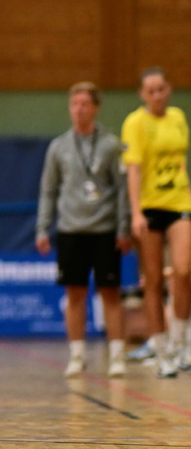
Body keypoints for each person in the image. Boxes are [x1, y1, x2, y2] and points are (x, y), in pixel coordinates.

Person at [35, 82, 131, 379]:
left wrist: (123, 227)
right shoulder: (59, 147)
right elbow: (48, 190)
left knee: (110, 293)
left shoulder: (111, 145)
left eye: (85, 104)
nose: (79, 110)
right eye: (74, 104)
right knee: (75, 294)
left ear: (96, 107)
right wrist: (42, 228)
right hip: (71, 229)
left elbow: (122, 190)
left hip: (104, 229)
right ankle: (77, 355)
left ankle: (117, 355)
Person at [121, 67, 191, 378]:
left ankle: (180, 342)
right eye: (150, 90)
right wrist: (136, 212)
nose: (157, 95)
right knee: (152, 280)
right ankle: (160, 348)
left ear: (169, 89)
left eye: (161, 88)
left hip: (179, 203)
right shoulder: (135, 123)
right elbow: (133, 171)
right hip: (149, 207)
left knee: (184, 270)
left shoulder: (177, 117)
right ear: (141, 94)